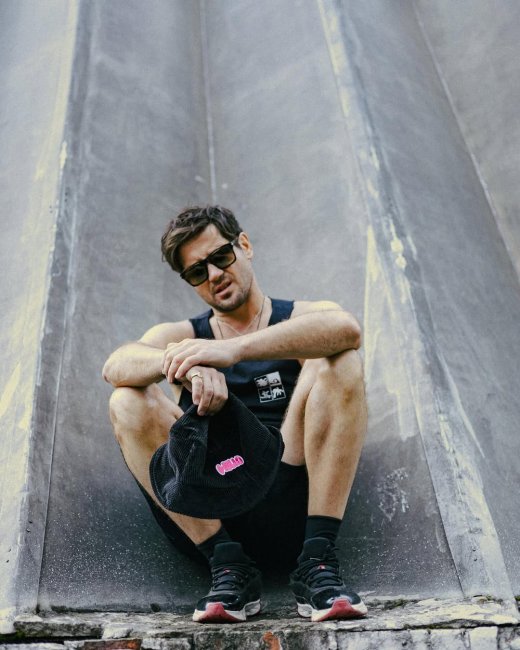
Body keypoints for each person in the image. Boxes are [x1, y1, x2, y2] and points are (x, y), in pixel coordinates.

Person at [103, 205, 368, 623]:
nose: (213, 275)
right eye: (197, 272)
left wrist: (232, 350)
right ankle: (229, 566)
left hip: (288, 494)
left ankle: (318, 561)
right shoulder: (185, 337)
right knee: (126, 400)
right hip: (211, 508)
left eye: (220, 257)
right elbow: (116, 364)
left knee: (340, 360)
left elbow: (347, 329)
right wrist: (185, 365)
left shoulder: (299, 317)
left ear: (244, 245)